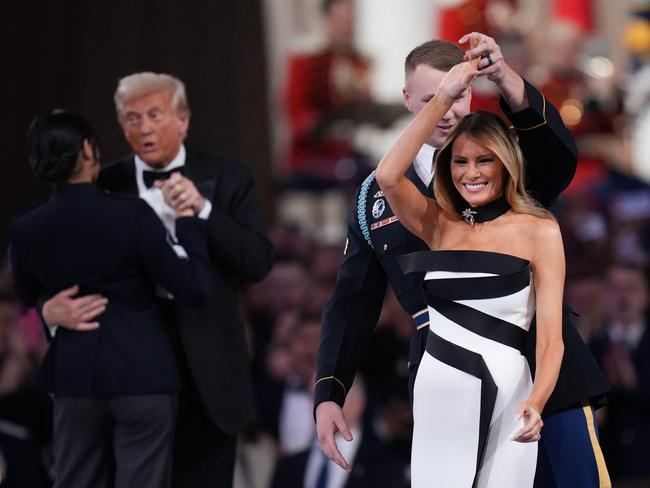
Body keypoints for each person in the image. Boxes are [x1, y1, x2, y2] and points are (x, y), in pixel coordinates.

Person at [315, 34, 611, 487]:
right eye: (434, 97)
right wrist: (329, 391)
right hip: (447, 381)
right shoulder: (376, 196)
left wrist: (505, 78)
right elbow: (353, 300)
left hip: (543, 374)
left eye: (457, 93)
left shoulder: (504, 163)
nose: (449, 109)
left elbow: (559, 157)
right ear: (408, 100)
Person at [42, 73, 274, 487]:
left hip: (210, 371)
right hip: (127, 367)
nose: (144, 127)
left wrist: (203, 210)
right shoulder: (102, 187)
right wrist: (48, 308)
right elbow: (54, 254)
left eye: (154, 115)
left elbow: (256, 262)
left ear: (182, 120)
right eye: (132, 118)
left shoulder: (229, 177)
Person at [376, 62, 564, 485]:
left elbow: (551, 338)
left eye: (484, 160)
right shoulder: (439, 224)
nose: (471, 173)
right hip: (439, 390)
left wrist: (538, 399)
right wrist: (443, 97)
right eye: (459, 161)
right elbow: (388, 176)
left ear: (505, 162)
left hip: (511, 392)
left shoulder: (540, 230)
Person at [9, 110, 211, 487]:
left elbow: (26, 295)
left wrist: (48, 310)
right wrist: (187, 219)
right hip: (142, 374)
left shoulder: (25, 230)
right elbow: (192, 287)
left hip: (74, 379)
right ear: (88, 149)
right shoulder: (132, 215)